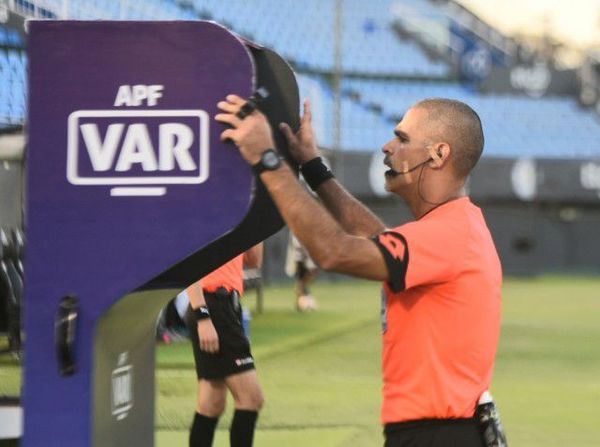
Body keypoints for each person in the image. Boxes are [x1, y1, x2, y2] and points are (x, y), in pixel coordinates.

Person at [215, 95, 503, 446]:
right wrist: (312, 167)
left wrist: (268, 159)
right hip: (441, 431)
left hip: (437, 435)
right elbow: (376, 239)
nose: (388, 146)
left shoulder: (449, 234)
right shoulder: (454, 227)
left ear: (439, 154)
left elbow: (336, 251)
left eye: (402, 139)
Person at [186, 243, 264, 447]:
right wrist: (202, 316)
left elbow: (254, 261)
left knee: (211, 403)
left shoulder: (239, 215)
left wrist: (257, 219)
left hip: (227, 306)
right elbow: (189, 260)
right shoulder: (206, 212)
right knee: (251, 398)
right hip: (210, 306)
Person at [285, 232, 319, 311]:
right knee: (302, 277)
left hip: (306, 252)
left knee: (310, 274)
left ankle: (302, 299)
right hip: (300, 255)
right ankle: (302, 301)